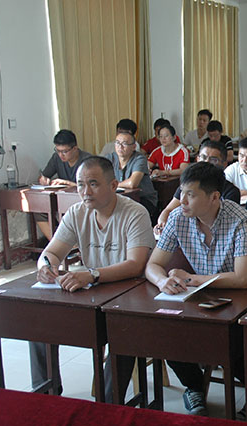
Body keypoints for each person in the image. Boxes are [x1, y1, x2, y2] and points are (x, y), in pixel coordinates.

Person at [145, 161, 247, 417]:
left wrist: (191, 279)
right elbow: (153, 265)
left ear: (214, 197)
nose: (182, 201)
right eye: (181, 193)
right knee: (166, 333)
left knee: (231, 345)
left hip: (245, 299)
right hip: (202, 297)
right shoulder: (178, 217)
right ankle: (194, 386)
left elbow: (241, 279)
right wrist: (161, 281)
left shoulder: (239, 218)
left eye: (190, 195)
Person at [31, 156, 155, 402]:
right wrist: (46, 266)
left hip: (130, 297)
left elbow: (136, 265)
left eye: (93, 184)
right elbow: (51, 252)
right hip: (92, 293)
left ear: (113, 185)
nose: (85, 192)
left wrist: (92, 274)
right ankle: (47, 398)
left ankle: (107, 406)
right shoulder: (77, 213)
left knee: (123, 331)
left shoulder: (134, 213)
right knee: (38, 324)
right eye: (80, 185)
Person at [154, 140, 240, 235]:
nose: (206, 162)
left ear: (224, 164)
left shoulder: (231, 191)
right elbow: (168, 210)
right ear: (197, 159)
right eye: (203, 157)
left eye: (213, 159)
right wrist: (162, 224)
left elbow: (225, 222)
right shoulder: (188, 187)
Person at [36, 129, 92, 240]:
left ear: (75, 148)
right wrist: (44, 180)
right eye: (58, 150)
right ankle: (57, 243)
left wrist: (67, 183)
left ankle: (70, 244)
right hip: (62, 199)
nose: (61, 155)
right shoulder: (56, 158)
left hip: (82, 200)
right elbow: (44, 176)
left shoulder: (88, 160)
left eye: (65, 151)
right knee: (39, 210)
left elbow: (91, 185)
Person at [104, 130, 159, 224]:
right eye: (117, 143)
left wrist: (113, 185)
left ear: (134, 147)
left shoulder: (139, 159)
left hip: (142, 199)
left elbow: (132, 183)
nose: (120, 147)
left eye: (124, 144)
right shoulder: (110, 158)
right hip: (119, 199)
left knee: (121, 215)